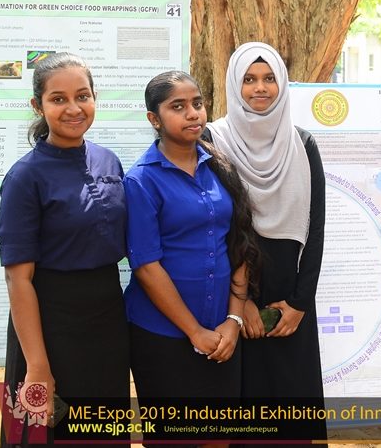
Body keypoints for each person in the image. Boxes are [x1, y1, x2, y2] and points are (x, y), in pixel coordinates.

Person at [0, 53, 129, 447]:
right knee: (41, 433)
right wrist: (37, 365)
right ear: (38, 106)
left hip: (107, 318)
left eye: (82, 96)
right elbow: (17, 279)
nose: (74, 108)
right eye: (58, 99)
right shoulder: (25, 177)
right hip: (49, 321)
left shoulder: (109, 160)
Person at [124, 72, 258, 436]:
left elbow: (239, 242)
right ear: (154, 119)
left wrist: (233, 319)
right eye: (178, 107)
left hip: (223, 331)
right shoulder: (141, 180)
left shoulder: (220, 166)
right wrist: (195, 332)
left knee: (221, 434)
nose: (193, 113)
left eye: (197, 104)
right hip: (162, 336)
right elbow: (146, 266)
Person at [207, 43, 327, 444]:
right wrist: (239, 304)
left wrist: (299, 303)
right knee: (246, 411)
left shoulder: (303, 144)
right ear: (234, 84)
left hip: (289, 297)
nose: (260, 88)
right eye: (249, 79)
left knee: (293, 411)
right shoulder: (213, 141)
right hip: (233, 293)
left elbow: (315, 229)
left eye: (269, 78)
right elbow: (215, 228)